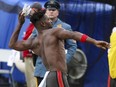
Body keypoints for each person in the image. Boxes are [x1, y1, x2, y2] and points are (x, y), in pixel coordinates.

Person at [9, 2, 110, 87]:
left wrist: (20, 24)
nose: (50, 20)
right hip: (56, 74)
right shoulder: (55, 31)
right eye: (47, 19)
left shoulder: (33, 41)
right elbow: (75, 35)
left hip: (50, 74)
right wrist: (94, 41)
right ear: (43, 24)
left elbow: (12, 44)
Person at [33, 0, 77, 85]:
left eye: (53, 10)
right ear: (45, 11)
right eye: (49, 10)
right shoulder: (39, 25)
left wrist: (63, 61)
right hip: (41, 68)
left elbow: (72, 47)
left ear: (58, 12)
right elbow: (32, 41)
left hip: (57, 70)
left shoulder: (65, 27)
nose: (51, 12)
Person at [22, 23, 36, 87]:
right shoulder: (31, 23)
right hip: (27, 54)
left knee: (33, 79)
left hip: (32, 55)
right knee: (29, 79)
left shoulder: (38, 23)